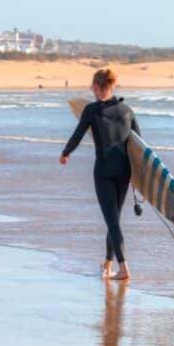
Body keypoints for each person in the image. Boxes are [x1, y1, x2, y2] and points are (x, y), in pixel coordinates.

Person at [60, 69, 140, 281]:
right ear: (112, 87)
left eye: (93, 87)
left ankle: (123, 269)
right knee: (114, 220)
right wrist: (138, 178)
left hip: (104, 172)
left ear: (96, 87)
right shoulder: (127, 111)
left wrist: (66, 152)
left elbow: (78, 134)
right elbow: (139, 148)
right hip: (124, 172)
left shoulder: (92, 110)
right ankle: (108, 264)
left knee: (112, 222)